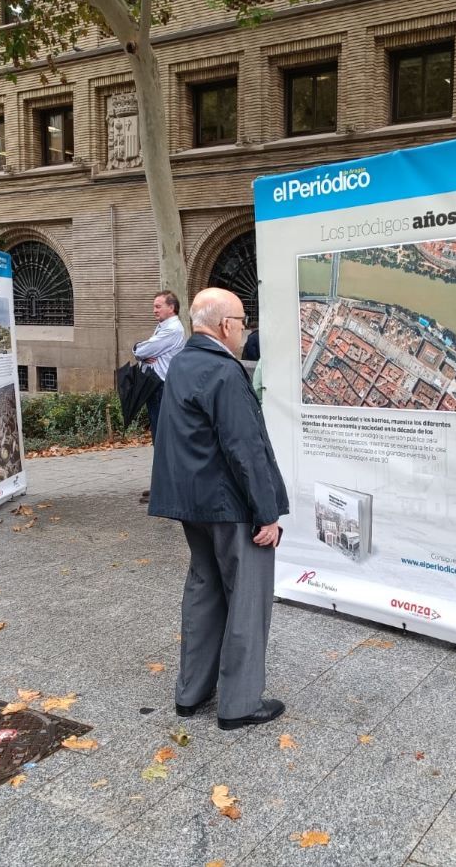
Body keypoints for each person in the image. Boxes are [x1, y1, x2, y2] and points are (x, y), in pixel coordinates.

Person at [148, 288, 289, 731]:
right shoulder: (224, 372)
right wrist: (267, 512)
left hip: (194, 505)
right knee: (246, 599)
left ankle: (191, 693)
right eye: (243, 321)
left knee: (204, 592)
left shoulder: (183, 363)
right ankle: (239, 703)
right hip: (230, 506)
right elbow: (246, 450)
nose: (244, 330)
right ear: (226, 325)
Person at [133, 290, 186, 503]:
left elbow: (143, 350)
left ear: (171, 307)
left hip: (162, 387)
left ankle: (166, 489)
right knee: (159, 437)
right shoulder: (164, 327)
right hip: (157, 388)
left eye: (158, 306)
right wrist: (144, 354)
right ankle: (162, 485)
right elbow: (146, 353)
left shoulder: (172, 329)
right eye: (154, 306)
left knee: (163, 438)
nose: (154, 310)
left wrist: (139, 349)